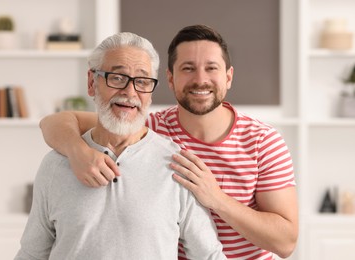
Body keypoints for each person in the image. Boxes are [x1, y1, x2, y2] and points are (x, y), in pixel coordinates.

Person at [39, 25, 299, 259]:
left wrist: (216, 198)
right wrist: (78, 152)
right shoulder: (148, 129)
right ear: (170, 78)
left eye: (211, 68)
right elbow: (56, 122)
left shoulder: (262, 141)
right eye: (188, 68)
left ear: (228, 77)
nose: (200, 79)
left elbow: (286, 243)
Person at [15, 32, 226, 260]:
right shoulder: (56, 165)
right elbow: (31, 254)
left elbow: (209, 256)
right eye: (117, 77)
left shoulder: (179, 166)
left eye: (143, 81)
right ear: (91, 83)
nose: (130, 91)